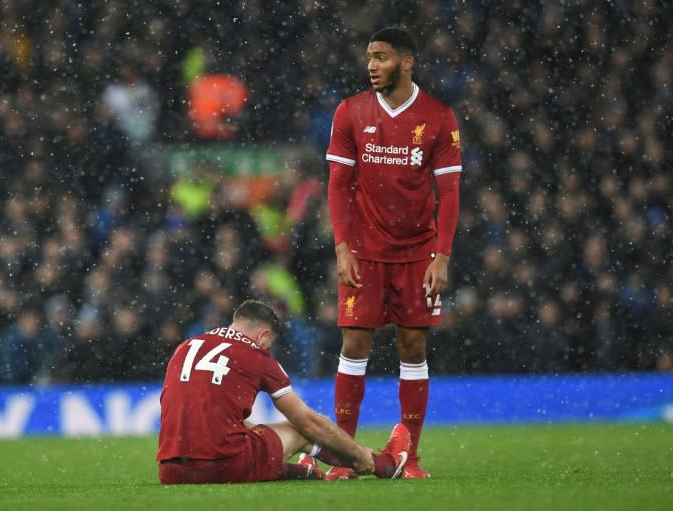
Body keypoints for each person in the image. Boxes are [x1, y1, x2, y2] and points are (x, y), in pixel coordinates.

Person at [324, 27, 462, 479]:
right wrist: (342, 247)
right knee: (354, 342)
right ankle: (344, 456)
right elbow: (338, 185)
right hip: (363, 251)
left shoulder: (439, 118)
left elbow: (450, 191)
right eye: (369, 57)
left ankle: (411, 455)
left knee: (413, 344)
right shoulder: (350, 112)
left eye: (381, 57)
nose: (371, 65)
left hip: (417, 253)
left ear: (407, 62)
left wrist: (441, 256)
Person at [156, 299, 411, 484]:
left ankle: (300, 471)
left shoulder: (186, 346)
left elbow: (195, 409)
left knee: (247, 431)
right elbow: (308, 422)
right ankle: (378, 464)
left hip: (171, 472)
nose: (268, 348)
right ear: (263, 335)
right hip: (224, 467)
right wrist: (357, 453)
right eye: (269, 343)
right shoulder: (256, 356)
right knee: (299, 430)